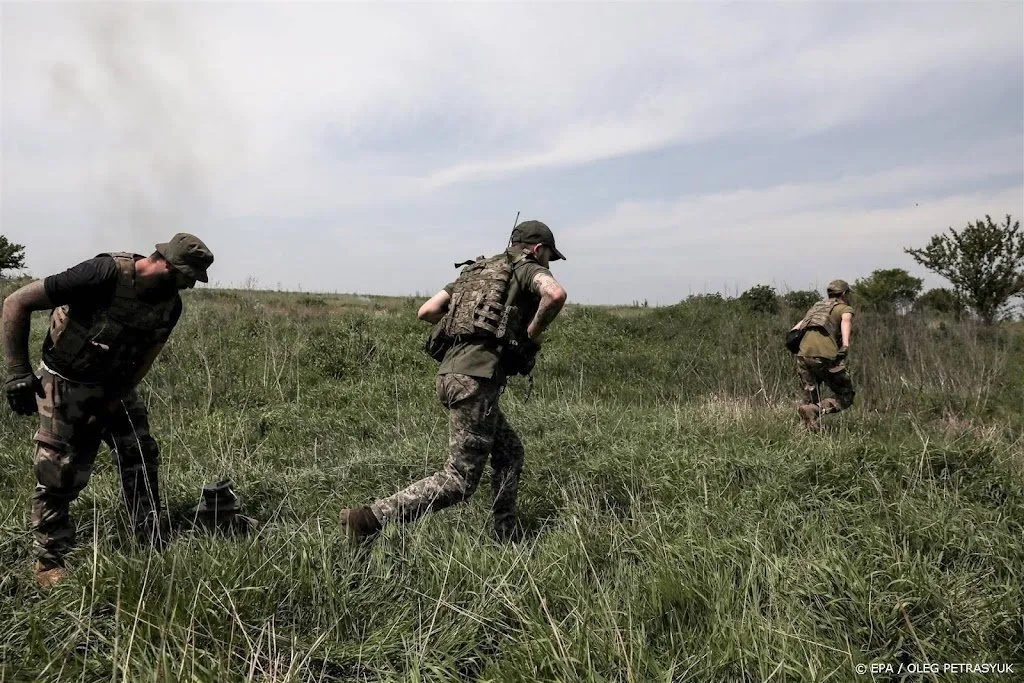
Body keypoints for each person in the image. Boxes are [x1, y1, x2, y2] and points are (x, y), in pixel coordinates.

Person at [2, 233, 214, 587]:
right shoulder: (102, 273)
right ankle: (50, 560)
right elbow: (15, 303)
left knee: (140, 452)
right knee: (59, 470)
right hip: (65, 381)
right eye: (186, 275)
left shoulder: (169, 305)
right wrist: (18, 373)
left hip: (114, 386)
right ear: (165, 263)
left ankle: (145, 534)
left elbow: (148, 356)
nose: (190, 285)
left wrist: (117, 397)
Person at [340, 220, 568, 543]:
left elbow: (427, 311)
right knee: (459, 479)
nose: (549, 263)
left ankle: (505, 534)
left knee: (510, 451)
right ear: (536, 249)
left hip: (449, 375)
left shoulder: (476, 271)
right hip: (476, 381)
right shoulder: (527, 268)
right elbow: (555, 294)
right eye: (549, 256)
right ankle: (369, 519)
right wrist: (530, 334)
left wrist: (468, 325)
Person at [790, 279, 856, 430]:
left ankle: (807, 429)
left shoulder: (816, 307)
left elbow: (796, 329)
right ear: (844, 293)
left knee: (810, 394)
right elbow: (846, 321)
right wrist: (845, 344)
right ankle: (816, 410)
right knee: (846, 395)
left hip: (803, 354)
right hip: (824, 355)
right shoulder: (844, 308)